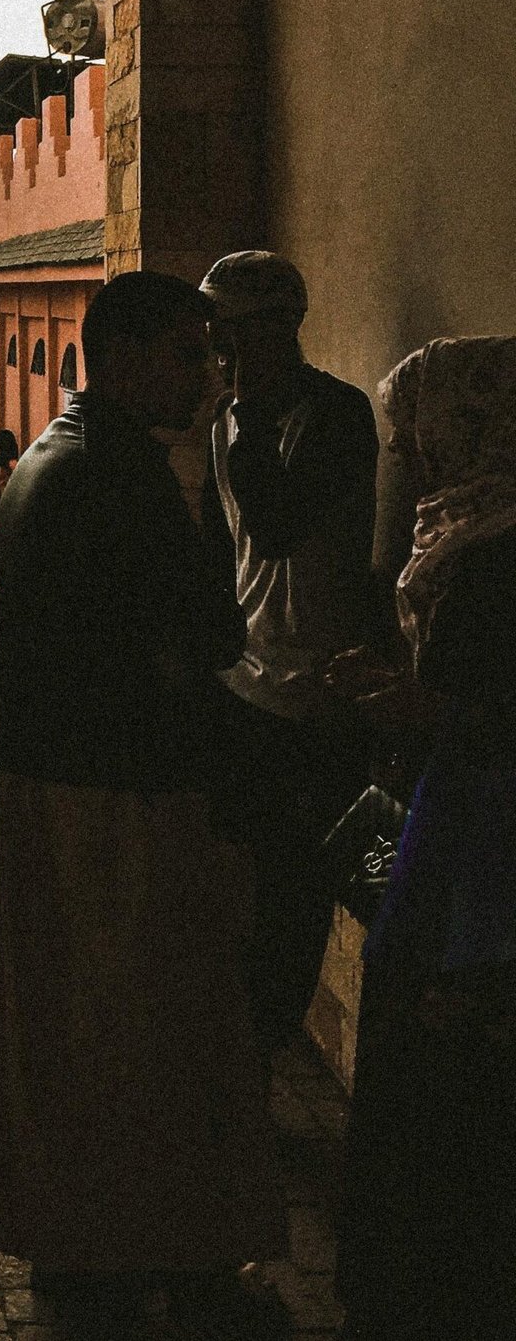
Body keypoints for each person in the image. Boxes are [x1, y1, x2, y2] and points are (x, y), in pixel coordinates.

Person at [0, 272, 284, 1337]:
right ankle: (146, 1247)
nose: (207, 379)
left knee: (78, 1035)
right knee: (143, 1036)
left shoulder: (65, 455)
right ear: (116, 360)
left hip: (61, 782)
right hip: (118, 801)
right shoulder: (112, 473)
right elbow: (206, 636)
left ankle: (88, 1242)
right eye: (185, 356)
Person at [336, 337, 516, 1341]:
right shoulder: (465, 533)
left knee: (444, 1081)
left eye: (415, 424)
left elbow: (489, 710)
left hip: (481, 860)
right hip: (450, 831)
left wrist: (419, 709)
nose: (402, 448)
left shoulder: (497, 555)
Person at [198, 250, 380, 1050]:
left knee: (296, 900)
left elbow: (272, 527)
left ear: (279, 329)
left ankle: (262, 1053)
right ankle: (241, 1060)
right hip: (246, 687)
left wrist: (245, 415)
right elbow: (224, 553)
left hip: (315, 699)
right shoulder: (229, 422)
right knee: (239, 892)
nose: (222, 354)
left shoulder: (335, 417)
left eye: (232, 334)